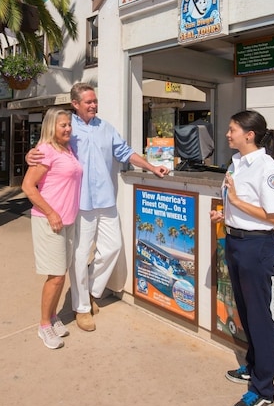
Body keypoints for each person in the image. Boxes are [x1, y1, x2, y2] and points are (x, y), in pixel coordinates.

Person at [27, 83, 169, 332]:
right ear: (75, 104)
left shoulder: (105, 128)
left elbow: (124, 152)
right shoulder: (66, 126)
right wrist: (31, 154)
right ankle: (81, 307)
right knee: (80, 256)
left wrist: (151, 167)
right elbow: (48, 146)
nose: (93, 105)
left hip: (106, 199)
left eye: (95, 101)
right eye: (88, 102)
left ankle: (90, 290)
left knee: (112, 248)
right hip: (79, 203)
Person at [209, 110, 274, 406]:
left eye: (232, 130)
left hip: (257, 246)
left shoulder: (267, 168)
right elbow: (238, 203)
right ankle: (253, 367)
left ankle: (263, 389)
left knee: (258, 316)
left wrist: (239, 204)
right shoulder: (237, 163)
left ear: (249, 134)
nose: (228, 134)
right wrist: (226, 214)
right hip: (236, 241)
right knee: (245, 312)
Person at [22, 108, 83, 349]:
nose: (68, 129)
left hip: (67, 220)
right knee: (56, 276)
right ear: (51, 127)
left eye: (69, 125)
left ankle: (54, 316)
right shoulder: (45, 151)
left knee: (60, 274)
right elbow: (28, 186)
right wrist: (50, 212)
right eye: (63, 126)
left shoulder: (67, 149)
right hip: (50, 221)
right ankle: (44, 325)